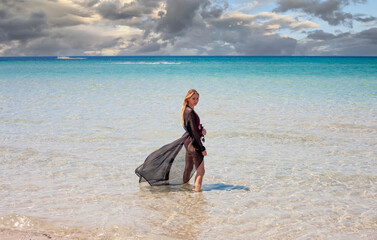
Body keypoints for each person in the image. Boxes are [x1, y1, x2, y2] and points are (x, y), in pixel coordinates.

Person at [181, 89, 207, 192]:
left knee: (188, 169)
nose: (196, 101)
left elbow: (192, 129)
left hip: (188, 143)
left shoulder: (185, 110)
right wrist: (202, 148)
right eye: (193, 98)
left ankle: (184, 188)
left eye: (197, 98)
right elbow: (194, 133)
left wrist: (201, 130)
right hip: (194, 144)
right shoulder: (190, 112)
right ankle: (197, 193)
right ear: (188, 99)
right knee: (201, 171)